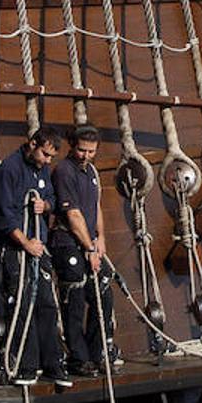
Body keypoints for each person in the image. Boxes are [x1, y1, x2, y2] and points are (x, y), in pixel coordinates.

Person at [0, 127, 71, 387]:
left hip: (39, 247)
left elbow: (52, 199)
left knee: (47, 304)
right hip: (17, 249)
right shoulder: (9, 170)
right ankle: (26, 365)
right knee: (22, 306)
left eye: (51, 157)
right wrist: (26, 243)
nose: (48, 161)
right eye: (45, 154)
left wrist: (44, 206)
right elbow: (3, 215)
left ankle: (53, 364)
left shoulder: (43, 169)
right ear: (32, 143)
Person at [50, 125, 122, 376]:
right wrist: (89, 247)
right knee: (75, 299)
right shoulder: (63, 171)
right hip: (68, 242)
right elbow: (73, 215)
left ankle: (97, 351)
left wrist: (100, 238)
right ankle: (78, 358)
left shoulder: (91, 170)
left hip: (90, 241)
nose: (86, 155)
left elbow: (95, 206)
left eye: (91, 151)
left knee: (104, 295)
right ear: (73, 146)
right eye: (82, 150)